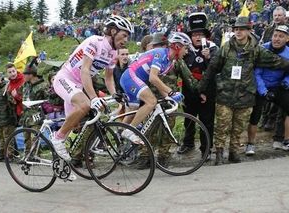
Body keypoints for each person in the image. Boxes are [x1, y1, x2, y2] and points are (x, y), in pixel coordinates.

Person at [199, 16, 289, 166]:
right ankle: (219, 154)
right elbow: (212, 68)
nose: (238, 31)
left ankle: (234, 152)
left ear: (249, 31)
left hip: (245, 95)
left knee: (238, 127)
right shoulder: (226, 48)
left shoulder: (256, 50)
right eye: (235, 29)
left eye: (241, 29)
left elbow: (277, 61)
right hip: (225, 94)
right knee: (222, 126)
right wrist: (202, 88)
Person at [52, 15, 134, 161]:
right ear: (113, 31)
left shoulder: (113, 53)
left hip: (77, 86)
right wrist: (94, 98)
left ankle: (62, 163)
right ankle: (57, 138)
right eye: (124, 35)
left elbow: (108, 78)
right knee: (85, 105)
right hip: (65, 79)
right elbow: (85, 71)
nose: (126, 40)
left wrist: (115, 94)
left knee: (76, 126)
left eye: (127, 37)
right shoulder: (94, 42)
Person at [120, 32, 190, 143]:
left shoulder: (170, 62)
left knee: (133, 111)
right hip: (130, 77)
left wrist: (168, 97)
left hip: (134, 80)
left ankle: (118, 136)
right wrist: (171, 92)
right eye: (186, 48)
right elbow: (153, 78)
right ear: (177, 47)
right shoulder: (161, 54)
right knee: (151, 102)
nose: (187, 52)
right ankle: (129, 131)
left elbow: (158, 83)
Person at [178, 12, 218, 159]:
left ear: (205, 36)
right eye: (194, 34)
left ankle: (206, 149)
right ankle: (188, 144)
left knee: (207, 121)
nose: (197, 37)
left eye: (200, 34)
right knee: (188, 119)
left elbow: (216, 69)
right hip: (189, 92)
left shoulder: (213, 49)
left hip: (208, 92)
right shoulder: (184, 49)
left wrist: (208, 58)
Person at [247, 25, 289, 153]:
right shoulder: (262, 49)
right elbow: (256, 73)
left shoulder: (288, 52)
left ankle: (286, 140)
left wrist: (286, 83)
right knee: (255, 115)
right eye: (275, 36)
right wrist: (264, 91)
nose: (277, 39)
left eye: (281, 36)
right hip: (262, 87)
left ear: (287, 39)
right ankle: (250, 144)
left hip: (279, 85)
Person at [21, 65, 48, 153]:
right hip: (26, 116)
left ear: (31, 75)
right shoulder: (25, 85)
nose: (24, 76)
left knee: (35, 138)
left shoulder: (43, 85)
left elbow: (48, 101)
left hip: (37, 116)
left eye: (25, 74)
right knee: (26, 139)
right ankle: (27, 157)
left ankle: (35, 156)